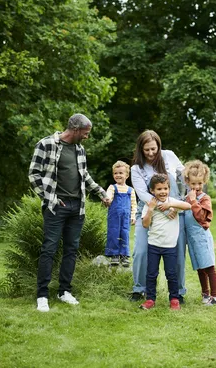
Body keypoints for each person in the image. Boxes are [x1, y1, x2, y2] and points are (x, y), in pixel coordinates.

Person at [29, 113, 110, 312]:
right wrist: (51, 199)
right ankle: (42, 295)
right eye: (85, 133)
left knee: (71, 250)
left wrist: (100, 192)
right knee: (49, 249)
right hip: (56, 207)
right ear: (75, 129)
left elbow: (85, 175)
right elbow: (33, 174)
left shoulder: (80, 149)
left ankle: (64, 291)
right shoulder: (46, 144)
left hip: (77, 207)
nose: (87, 137)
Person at [130, 130, 187, 303]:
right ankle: (139, 289)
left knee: (177, 252)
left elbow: (184, 178)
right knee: (140, 251)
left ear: (159, 146)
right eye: (146, 150)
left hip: (174, 212)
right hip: (149, 211)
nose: (150, 153)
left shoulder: (169, 156)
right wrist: (165, 208)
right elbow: (143, 194)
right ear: (141, 149)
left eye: (153, 149)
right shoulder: (136, 168)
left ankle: (178, 292)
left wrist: (179, 202)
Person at [140, 174, 191, 310]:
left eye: (165, 188)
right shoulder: (150, 204)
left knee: (171, 274)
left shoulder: (172, 202)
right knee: (151, 273)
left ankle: (174, 299)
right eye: (159, 189)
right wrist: (150, 209)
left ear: (169, 188)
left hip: (170, 246)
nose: (162, 192)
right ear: (152, 191)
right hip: (154, 245)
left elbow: (187, 205)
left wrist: (171, 205)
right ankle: (150, 299)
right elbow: (145, 224)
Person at [183, 160, 216, 306]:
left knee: (209, 266)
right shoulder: (187, 198)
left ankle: (215, 296)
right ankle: (205, 294)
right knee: (200, 267)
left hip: (202, 237)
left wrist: (193, 202)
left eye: (199, 183)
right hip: (192, 239)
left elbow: (201, 217)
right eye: (193, 184)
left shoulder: (204, 198)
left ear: (204, 181)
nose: (197, 187)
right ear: (187, 182)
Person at [104, 161, 137, 267]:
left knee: (125, 233)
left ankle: (124, 255)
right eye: (115, 173)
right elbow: (109, 196)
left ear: (127, 175)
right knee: (113, 233)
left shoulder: (130, 190)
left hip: (125, 216)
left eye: (121, 173)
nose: (118, 175)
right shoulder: (112, 187)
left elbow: (134, 204)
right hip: (114, 216)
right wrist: (107, 199)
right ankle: (114, 254)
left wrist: (133, 216)